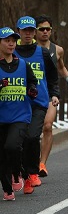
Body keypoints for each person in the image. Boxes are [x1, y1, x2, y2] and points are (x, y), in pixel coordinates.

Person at [14, 16, 60, 193]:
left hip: (39, 102)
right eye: (24, 30)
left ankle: (32, 172)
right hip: (18, 103)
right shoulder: (13, 52)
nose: (28, 33)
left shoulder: (43, 52)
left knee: (33, 136)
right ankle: (22, 173)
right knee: (20, 140)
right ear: (18, 31)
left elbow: (52, 75)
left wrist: (54, 94)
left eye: (31, 30)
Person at [0, 27, 38, 201]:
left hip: (20, 115)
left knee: (12, 147)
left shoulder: (22, 64)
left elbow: (32, 81)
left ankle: (17, 173)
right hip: (1, 117)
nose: (11, 43)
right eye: (6, 40)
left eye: (13, 40)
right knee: (2, 154)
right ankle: (7, 188)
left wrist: (31, 89)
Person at [34, 15, 68, 178]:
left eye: (47, 29)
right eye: (41, 29)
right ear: (35, 31)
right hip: (31, 94)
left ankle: (42, 163)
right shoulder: (28, 48)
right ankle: (31, 160)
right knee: (31, 132)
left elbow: (61, 67)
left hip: (50, 93)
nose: (45, 32)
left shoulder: (57, 50)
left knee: (48, 126)